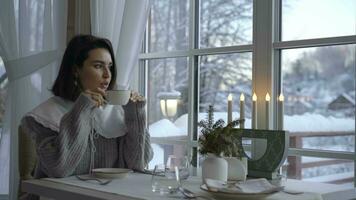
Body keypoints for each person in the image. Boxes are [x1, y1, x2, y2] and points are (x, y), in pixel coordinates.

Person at [21, 35, 153, 181]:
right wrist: (81, 109)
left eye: (110, 67)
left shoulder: (118, 112)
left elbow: (138, 164)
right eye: (98, 66)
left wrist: (136, 116)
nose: (107, 75)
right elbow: (59, 169)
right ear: (76, 70)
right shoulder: (46, 115)